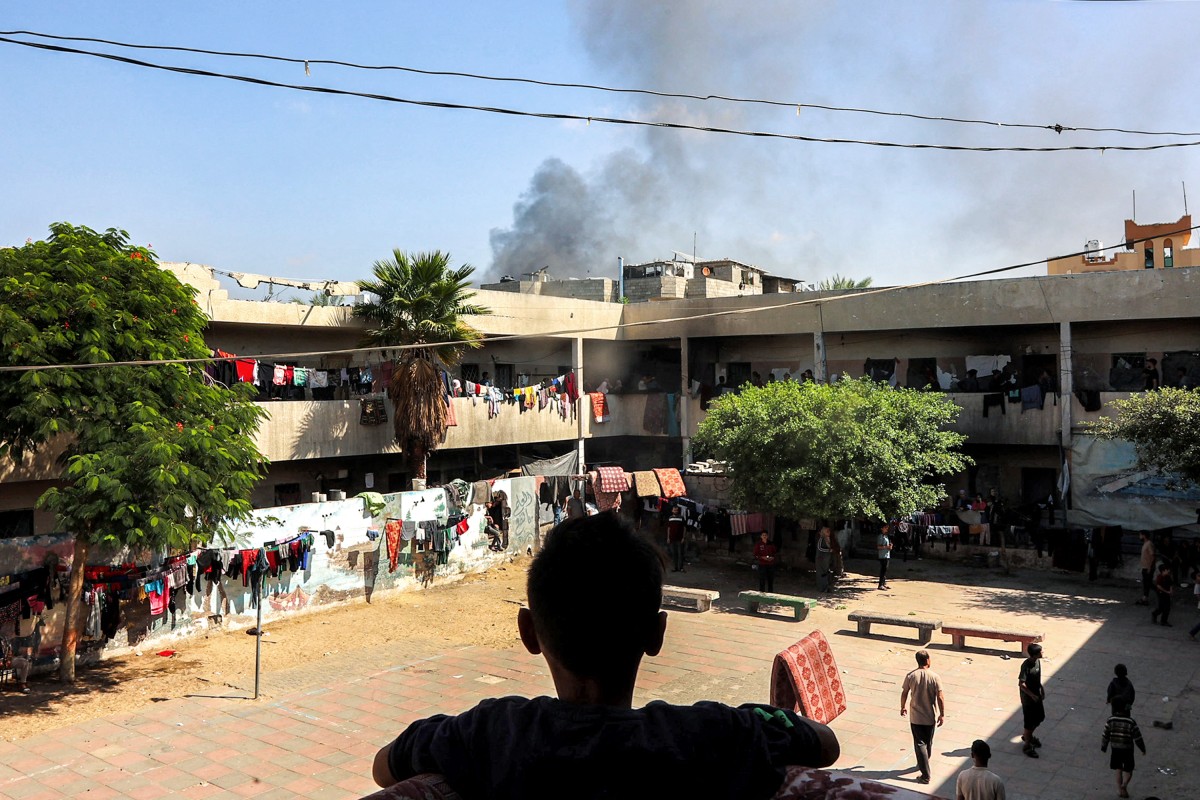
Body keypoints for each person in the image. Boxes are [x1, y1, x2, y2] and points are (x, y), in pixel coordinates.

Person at [371, 514, 841, 798]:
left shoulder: (490, 732)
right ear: (657, 635)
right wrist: (759, 718)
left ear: (529, 633)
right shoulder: (712, 736)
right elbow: (824, 744)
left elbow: (384, 765)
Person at [900, 650, 945, 785]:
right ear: (928, 660)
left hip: (916, 717)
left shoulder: (911, 676)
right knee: (927, 742)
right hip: (930, 716)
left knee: (920, 743)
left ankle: (925, 772)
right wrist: (942, 714)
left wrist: (903, 706)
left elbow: (904, 693)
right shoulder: (935, 677)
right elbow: (940, 697)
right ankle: (925, 765)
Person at [1101, 701, 1146, 799]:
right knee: (1129, 770)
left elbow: (1105, 735)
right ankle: (1124, 785)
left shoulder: (1110, 720)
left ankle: (1119, 790)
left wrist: (1104, 747)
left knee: (1118, 769)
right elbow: (1137, 737)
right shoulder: (1130, 722)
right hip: (1128, 750)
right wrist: (1142, 749)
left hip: (1115, 749)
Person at [1018, 643, 1046, 758]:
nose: (1042, 653)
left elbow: (1037, 678)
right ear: (1035, 654)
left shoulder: (1037, 662)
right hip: (1028, 700)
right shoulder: (1026, 665)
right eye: (1040, 651)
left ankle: (1027, 735)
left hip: (1037, 695)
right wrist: (1032, 695)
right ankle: (1027, 745)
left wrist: (1042, 689)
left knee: (1040, 717)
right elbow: (1021, 684)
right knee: (1029, 723)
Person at [1150, 561, 1174, 626]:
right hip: (1161, 594)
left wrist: (1171, 591)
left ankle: (1163, 621)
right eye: (1167, 570)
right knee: (1161, 608)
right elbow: (1159, 586)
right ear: (1163, 571)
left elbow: (1170, 584)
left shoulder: (1168, 577)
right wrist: (1167, 592)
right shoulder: (1159, 577)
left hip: (1167, 594)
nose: (1168, 571)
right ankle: (1155, 614)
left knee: (1167, 608)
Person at [666, 507, 686, 573]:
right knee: (674, 553)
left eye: (676, 510)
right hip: (672, 538)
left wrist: (683, 537)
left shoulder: (681, 518)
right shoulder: (670, 518)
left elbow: (684, 528)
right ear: (672, 510)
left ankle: (681, 568)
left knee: (680, 553)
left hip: (679, 538)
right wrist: (668, 537)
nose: (675, 511)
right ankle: (675, 567)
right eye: (674, 510)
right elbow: (669, 528)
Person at [1137, 532, 1155, 605]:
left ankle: (1161, 592)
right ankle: (1145, 598)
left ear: (1144, 535)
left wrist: (1149, 567)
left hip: (1148, 567)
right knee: (1146, 583)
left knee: (1148, 583)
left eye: (1140, 535)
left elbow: (1152, 556)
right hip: (1145, 567)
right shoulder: (1145, 543)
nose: (1139, 537)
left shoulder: (1149, 544)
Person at [815, 525, 834, 592]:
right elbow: (819, 548)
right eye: (827, 531)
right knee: (821, 573)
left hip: (826, 559)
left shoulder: (828, 539)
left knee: (826, 573)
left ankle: (826, 587)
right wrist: (828, 550)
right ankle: (821, 588)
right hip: (820, 558)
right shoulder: (821, 539)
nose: (828, 532)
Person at [876, 523, 893, 590]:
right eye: (885, 527)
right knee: (883, 570)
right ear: (882, 528)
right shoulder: (880, 537)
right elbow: (878, 546)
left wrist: (890, 546)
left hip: (887, 555)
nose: (886, 529)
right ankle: (880, 585)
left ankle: (883, 583)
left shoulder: (886, 536)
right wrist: (886, 546)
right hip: (882, 555)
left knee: (885, 570)